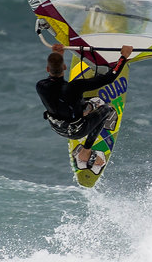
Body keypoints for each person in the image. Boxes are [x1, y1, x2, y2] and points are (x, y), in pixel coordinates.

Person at [36, 43, 133, 171]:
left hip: (57, 126)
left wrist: (58, 55)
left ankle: (86, 110)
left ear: (48, 69)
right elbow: (109, 78)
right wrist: (123, 57)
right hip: (77, 130)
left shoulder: (41, 86)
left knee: (70, 101)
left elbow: (59, 89)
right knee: (106, 109)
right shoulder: (74, 87)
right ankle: (85, 152)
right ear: (64, 67)